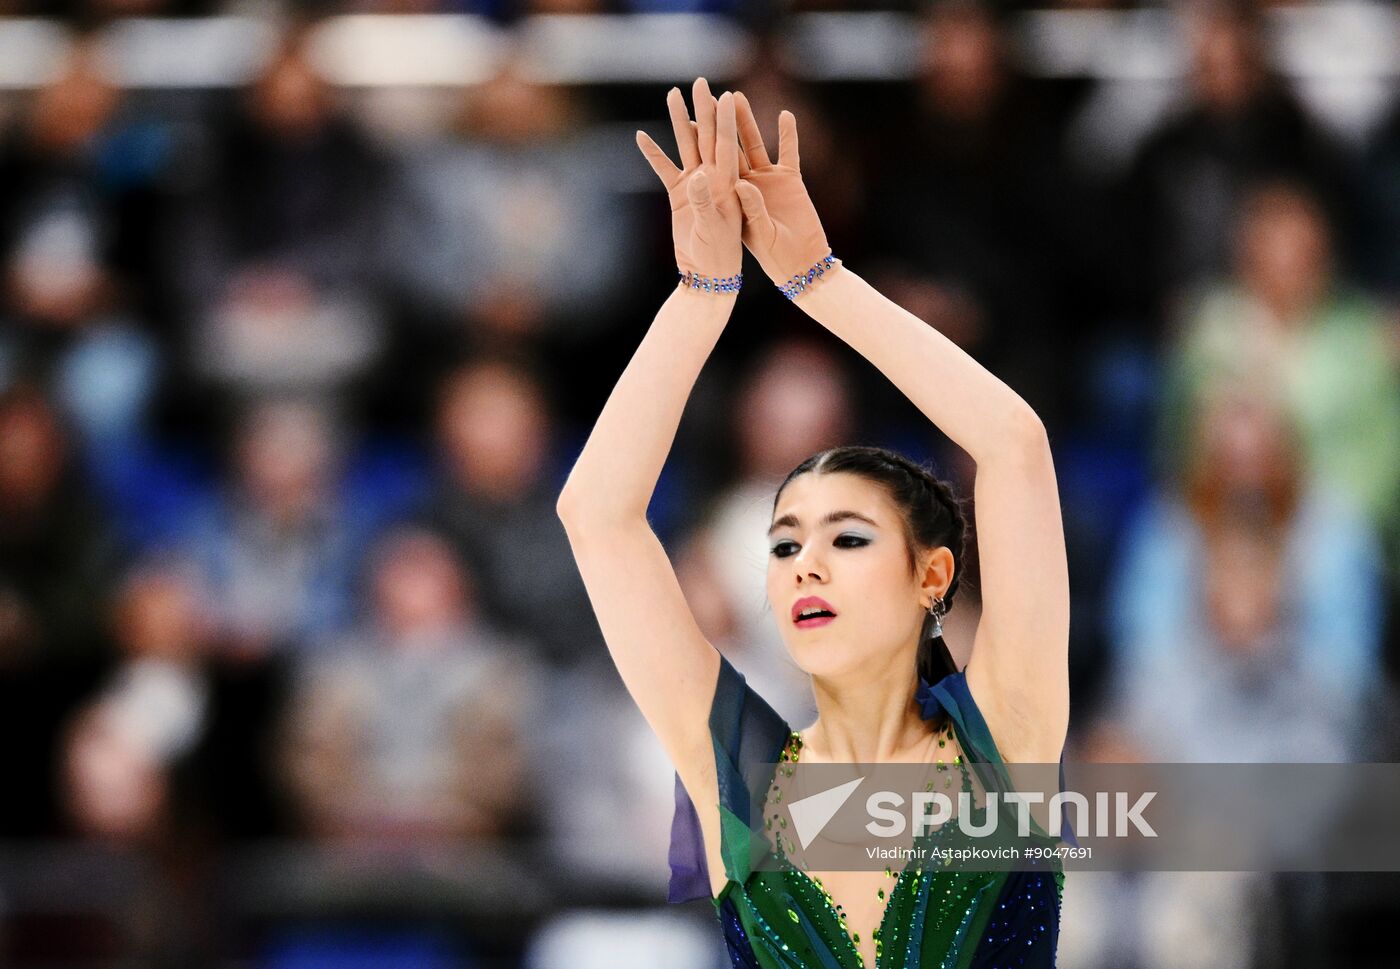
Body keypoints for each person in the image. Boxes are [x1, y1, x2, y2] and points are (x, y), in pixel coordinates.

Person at [556, 79, 1071, 968]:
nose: (806, 565)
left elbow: (1014, 446)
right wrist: (700, 294)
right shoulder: (743, 777)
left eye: (848, 537)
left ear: (931, 577)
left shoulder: (1005, 735)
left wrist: (820, 282)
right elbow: (597, 515)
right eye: (786, 542)